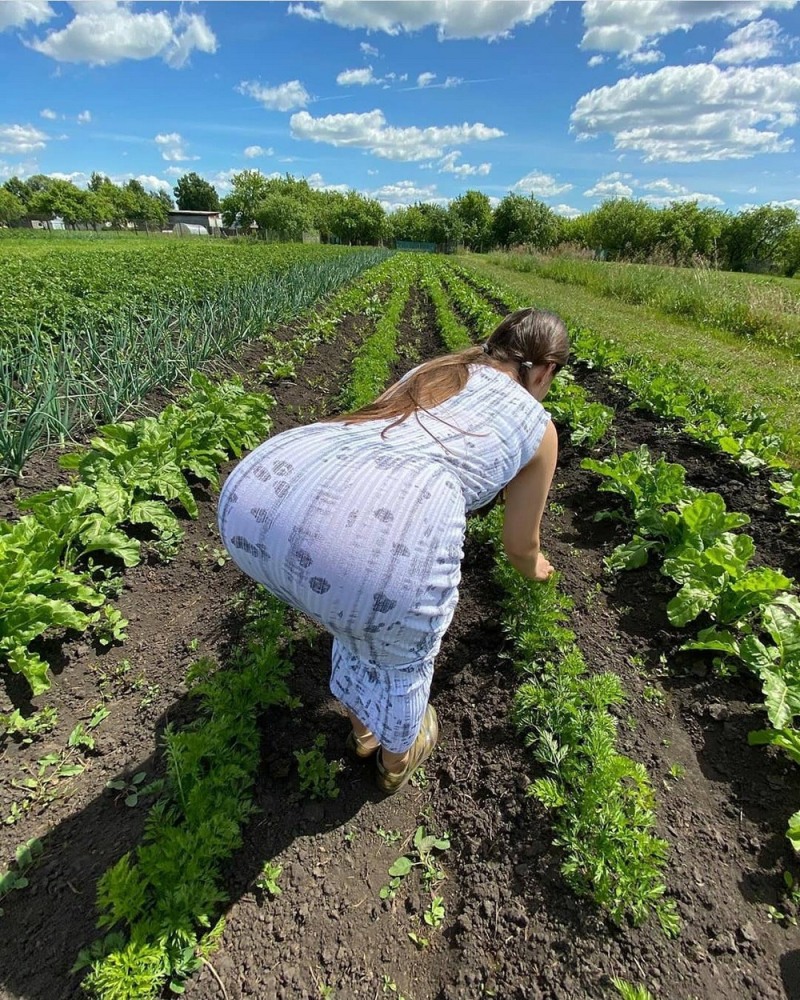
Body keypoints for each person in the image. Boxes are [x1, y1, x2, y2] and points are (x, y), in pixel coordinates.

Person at [217, 307, 568, 794]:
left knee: (350, 609)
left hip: (259, 496)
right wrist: (538, 570)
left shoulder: (437, 373)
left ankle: (362, 733)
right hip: (375, 540)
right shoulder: (539, 427)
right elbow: (519, 545)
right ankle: (394, 759)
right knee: (400, 658)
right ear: (547, 369)